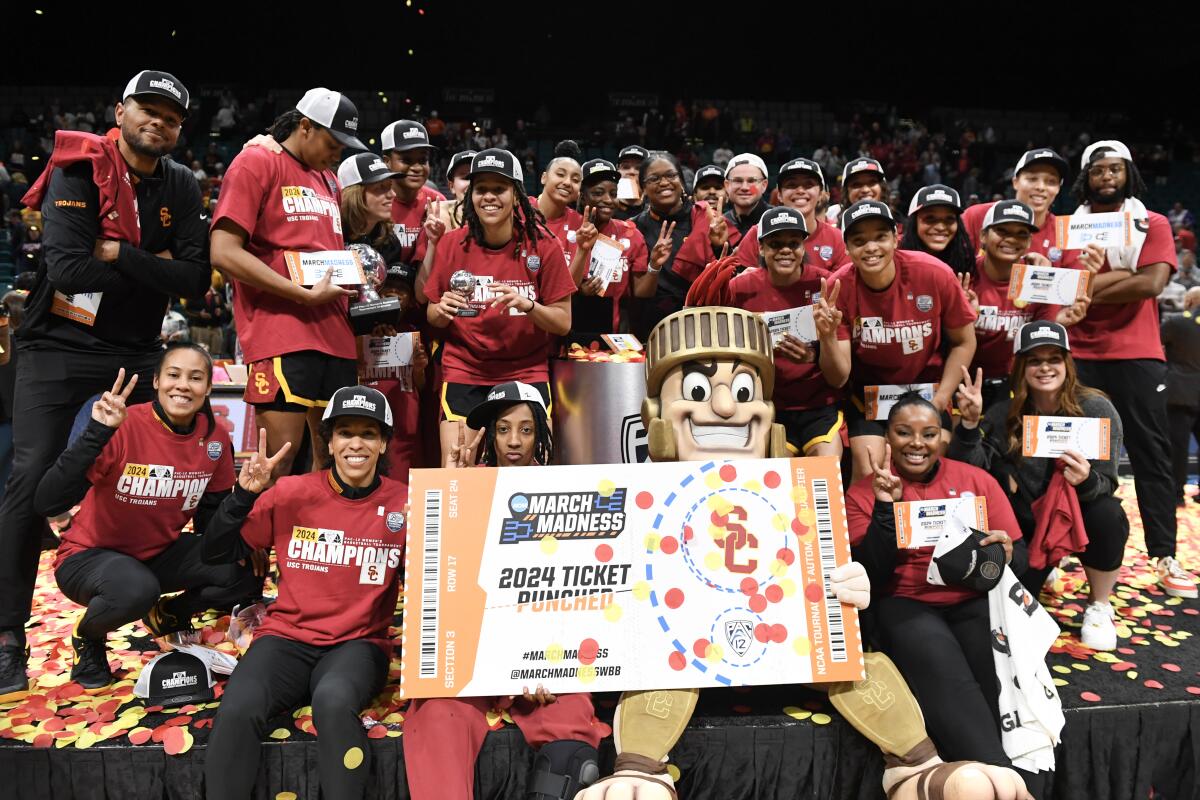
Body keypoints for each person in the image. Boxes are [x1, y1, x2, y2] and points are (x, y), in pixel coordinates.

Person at [0, 70, 213, 700]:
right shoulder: (78, 167)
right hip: (59, 346)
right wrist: (159, 270)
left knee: (170, 451)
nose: (158, 122)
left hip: (135, 351)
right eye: (146, 109)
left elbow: (197, 282)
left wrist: (120, 255)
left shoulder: (179, 183)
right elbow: (65, 269)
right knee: (28, 477)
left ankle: (135, 590)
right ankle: (10, 636)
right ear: (119, 112)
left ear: (180, 128)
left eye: (171, 117)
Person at [403, 382, 607, 800]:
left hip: (539, 652)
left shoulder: (568, 494)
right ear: (490, 435)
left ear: (541, 435)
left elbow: (581, 592)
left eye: (526, 430)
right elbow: (435, 586)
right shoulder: (458, 488)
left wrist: (554, 661)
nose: (514, 441)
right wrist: (430, 517)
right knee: (437, 716)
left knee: (572, 727)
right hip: (470, 652)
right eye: (503, 429)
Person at [202, 386, 408, 800]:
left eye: (368, 434)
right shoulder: (292, 493)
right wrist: (243, 495)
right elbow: (215, 550)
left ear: (383, 442)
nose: (355, 443)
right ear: (328, 442)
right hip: (286, 639)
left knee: (332, 701)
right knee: (239, 708)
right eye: (344, 432)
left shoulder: (407, 503)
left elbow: (435, 581)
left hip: (358, 644)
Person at [845, 393, 1043, 793]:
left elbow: (1020, 557)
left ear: (944, 438)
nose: (916, 443)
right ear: (887, 438)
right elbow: (872, 574)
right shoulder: (864, 493)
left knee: (1001, 688)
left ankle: (1011, 778)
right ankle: (1000, 784)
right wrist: (886, 507)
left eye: (928, 433)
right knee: (949, 679)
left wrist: (1006, 554)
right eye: (904, 432)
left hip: (971, 599)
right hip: (904, 604)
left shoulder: (975, 480)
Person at [34, 344, 259, 688]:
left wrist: (244, 525)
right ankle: (88, 635)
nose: (183, 385)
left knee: (242, 566)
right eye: (173, 375)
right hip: (88, 557)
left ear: (208, 388)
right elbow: (48, 501)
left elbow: (211, 523)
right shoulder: (124, 424)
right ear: (156, 381)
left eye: (195, 377)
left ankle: (169, 614)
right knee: (138, 588)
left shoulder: (214, 438)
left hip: (156, 555)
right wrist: (97, 432)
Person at [210, 88, 365, 479]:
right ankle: (260, 543)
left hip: (335, 334)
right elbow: (224, 252)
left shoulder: (328, 178)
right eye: (333, 143)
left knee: (334, 466)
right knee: (278, 463)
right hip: (284, 334)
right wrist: (300, 294)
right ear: (305, 126)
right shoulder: (257, 162)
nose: (339, 154)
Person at [1066, 140, 1196, 597]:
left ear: (1129, 173)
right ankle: (1068, 546)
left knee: (1151, 456)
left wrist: (1085, 290)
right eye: (1098, 170)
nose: (1107, 176)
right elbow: (1063, 286)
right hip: (1076, 351)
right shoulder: (1069, 228)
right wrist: (1119, 278)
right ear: (1086, 177)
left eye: (1115, 169)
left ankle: (1163, 554)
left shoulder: (1153, 222)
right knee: (1070, 454)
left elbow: (1154, 281)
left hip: (1137, 353)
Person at [950, 321, 1130, 648]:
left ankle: (1100, 605)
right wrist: (970, 424)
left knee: (1108, 513)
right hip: (1027, 523)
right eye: (1034, 360)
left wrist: (1087, 480)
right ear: (1021, 367)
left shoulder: (1097, 408)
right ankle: (1044, 565)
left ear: (1067, 364)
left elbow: (1109, 483)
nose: (1045, 367)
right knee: (1008, 608)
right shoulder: (1005, 412)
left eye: (1054, 359)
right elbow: (969, 470)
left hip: (1078, 513)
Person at [425, 148, 574, 463]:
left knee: (531, 476)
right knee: (457, 469)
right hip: (465, 368)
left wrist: (528, 305)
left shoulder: (544, 246)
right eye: (481, 189)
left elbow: (562, 322)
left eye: (499, 189)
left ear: (517, 195)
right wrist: (442, 310)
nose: (489, 197)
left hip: (525, 369)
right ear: (471, 196)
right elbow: (432, 315)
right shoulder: (452, 244)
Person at [823, 200, 977, 480]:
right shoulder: (838, 288)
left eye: (881, 237)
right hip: (869, 395)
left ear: (896, 238)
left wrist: (942, 399)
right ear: (846, 248)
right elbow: (838, 377)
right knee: (869, 469)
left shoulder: (934, 273)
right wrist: (827, 337)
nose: (871, 248)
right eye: (859, 240)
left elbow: (964, 342)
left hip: (928, 392)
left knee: (932, 462)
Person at [338, 151, 431, 484]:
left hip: (372, 351)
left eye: (390, 187)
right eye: (379, 189)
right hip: (333, 344)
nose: (391, 194)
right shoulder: (329, 232)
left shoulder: (387, 241)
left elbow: (387, 295)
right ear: (354, 193)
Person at [727, 207, 844, 457]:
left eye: (793, 243)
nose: (785, 250)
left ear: (804, 245)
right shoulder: (739, 288)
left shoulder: (824, 284)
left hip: (819, 404)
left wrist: (813, 356)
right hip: (767, 404)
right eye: (775, 243)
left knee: (825, 471)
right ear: (761, 248)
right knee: (780, 478)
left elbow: (839, 368)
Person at [963, 200, 1087, 408]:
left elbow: (1041, 343)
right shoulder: (965, 277)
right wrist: (966, 318)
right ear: (983, 236)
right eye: (1002, 231)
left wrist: (1058, 322)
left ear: (1030, 242)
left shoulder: (1041, 280)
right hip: (966, 379)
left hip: (1017, 383)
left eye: (1021, 234)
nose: (1011, 239)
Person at [628, 153, 716, 339]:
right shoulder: (632, 228)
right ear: (643, 187)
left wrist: (719, 244)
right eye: (654, 178)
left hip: (702, 325)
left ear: (682, 181)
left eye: (671, 175)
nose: (664, 182)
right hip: (651, 328)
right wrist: (654, 265)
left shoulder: (706, 219)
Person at [569, 158, 649, 336]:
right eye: (598, 193)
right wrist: (579, 292)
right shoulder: (566, 232)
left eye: (613, 194)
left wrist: (655, 266)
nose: (607, 200)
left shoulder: (630, 234)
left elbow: (639, 296)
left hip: (617, 335)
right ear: (582, 195)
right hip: (570, 334)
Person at [733, 157, 848, 272]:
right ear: (779, 195)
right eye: (791, 185)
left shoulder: (837, 239)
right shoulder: (757, 234)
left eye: (809, 184)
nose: (800, 191)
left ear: (820, 194)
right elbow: (740, 283)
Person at [960, 149, 1071, 264]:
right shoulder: (976, 215)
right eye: (1032, 179)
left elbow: (1076, 280)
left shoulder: (1066, 232)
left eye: (1051, 181)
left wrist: (1047, 277)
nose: (1041, 187)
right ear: (1015, 182)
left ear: (1058, 188)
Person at [380, 119, 446, 269]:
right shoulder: (376, 202)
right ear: (387, 162)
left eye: (423, 160)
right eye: (406, 160)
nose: (417, 167)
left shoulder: (437, 202)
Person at [1162, 286, 1200, 505]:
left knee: (1178, 446)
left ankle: (1177, 495)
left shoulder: (1176, 323)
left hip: (1180, 394)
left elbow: (1154, 345)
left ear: (1188, 302)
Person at [898, 185, 976, 276]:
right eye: (930, 218)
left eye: (949, 219)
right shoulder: (894, 258)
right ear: (914, 222)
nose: (940, 227)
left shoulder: (967, 262)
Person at [533, 140, 584, 267]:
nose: (567, 182)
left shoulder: (581, 225)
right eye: (560, 174)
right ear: (544, 177)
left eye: (575, 180)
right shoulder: (518, 211)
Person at [722, 152, 771, 245]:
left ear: (764, 185)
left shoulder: (778, 220)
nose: (745, 187)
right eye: (737, 181)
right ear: (727, 185)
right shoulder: (720, 225)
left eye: (752, 181)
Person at [827, 157, 889, 227]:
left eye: (872, 182)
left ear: (882, 188)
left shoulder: (901, 226)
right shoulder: (833, 225)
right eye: (856, 184)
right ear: (846, 192)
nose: (865, 190)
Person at [612, 144, 647, 220]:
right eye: (626, 167)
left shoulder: (655, 208)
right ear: (617, 171)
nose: (631, 172)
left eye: (638, 168)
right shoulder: (606, 209)